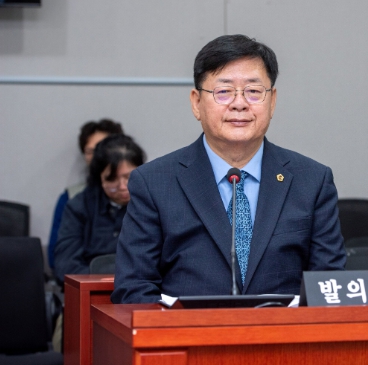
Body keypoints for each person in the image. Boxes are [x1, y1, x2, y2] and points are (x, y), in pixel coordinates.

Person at [112, 34, 345, 304]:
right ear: (196, 103)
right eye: (223, 92)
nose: (239, 103)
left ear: (272, 102)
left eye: (253, 91)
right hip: (189, 331)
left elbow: (330, 287)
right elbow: (134, 288)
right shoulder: (154, 183)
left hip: (283, 331)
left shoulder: (312, 181)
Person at [54, 134, 145, 283]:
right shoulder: (79, 206)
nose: (123, 186)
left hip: (142, 288)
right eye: (112, 179)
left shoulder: (153, 205)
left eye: (129, 177)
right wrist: (103, 281)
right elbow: (65, 265)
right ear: (99, 178)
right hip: (92, 288)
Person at [48, 119, 123, 271]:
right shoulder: (73, 199)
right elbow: (60, 259)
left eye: (104, 148)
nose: (97, 156)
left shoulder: (142, 199)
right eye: (90, 151)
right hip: (87, 278)